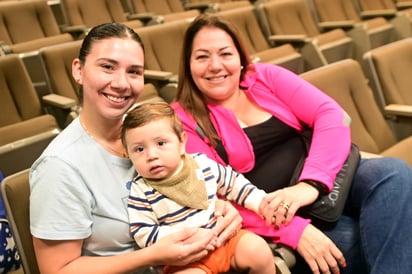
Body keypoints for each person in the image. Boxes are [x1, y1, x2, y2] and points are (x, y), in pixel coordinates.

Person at [171, 14, 412, 274]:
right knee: (367, 241)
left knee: (393, 173)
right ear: (188, 65)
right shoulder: (182, 121)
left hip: (325, 182)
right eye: (202, 57)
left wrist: (310, 184)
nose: (215, 65)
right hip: (277, 217)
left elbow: (330, 115)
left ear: (241, 59)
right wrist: (296, 231)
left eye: (225, 54)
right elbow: (212, 197)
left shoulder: (264, 77)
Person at [29, 22, 242, 274]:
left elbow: (192, 178)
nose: (121, 83)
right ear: (79, 70)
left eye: (134, 72)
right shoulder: (59, 166)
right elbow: (57, 270)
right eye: (107, 67)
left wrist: (219, 207)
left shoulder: (147, 131)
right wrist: (150, 255)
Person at [121, 102, 276, 274]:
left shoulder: (201, 164)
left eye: (161, 143)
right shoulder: (141, 190)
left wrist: (261, 202)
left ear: (181, 142)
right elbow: (143, 232)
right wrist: (186, 237)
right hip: (185, 258)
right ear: (128, 154)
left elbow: (233, 183)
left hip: (224, 240)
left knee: (258, 250)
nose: (151, 155)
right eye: (139, 149)